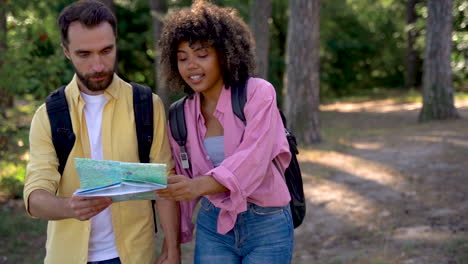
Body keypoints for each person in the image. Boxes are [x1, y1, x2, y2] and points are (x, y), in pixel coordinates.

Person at [23, 1, 180, 263]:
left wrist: (172, 247)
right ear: (66, 52)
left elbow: (162, 181)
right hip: (68, 255)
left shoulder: (146, 105)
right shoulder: (48, 114)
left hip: (133, 254)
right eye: (84, 54)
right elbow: (35, 196)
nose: (98, 65)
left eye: (106, 50)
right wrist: (69, 207)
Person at [156, 1, 294, 263]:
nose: (191, 66)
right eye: (182, 58)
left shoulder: (258, 93)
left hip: (267, 221)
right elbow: (182, 189)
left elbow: (254, 160)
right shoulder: (178, 115)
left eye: (202, 54)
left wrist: (198, 186)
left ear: (224, 54)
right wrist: (172, 244)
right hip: (213, 223)